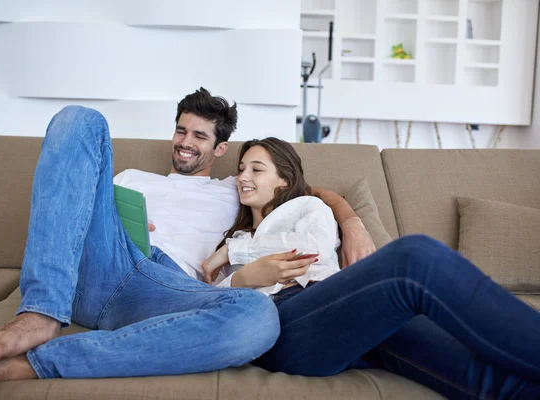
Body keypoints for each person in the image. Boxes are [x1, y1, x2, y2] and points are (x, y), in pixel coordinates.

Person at [0, 88, 375, 398]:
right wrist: (112, 215)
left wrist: (352, 224)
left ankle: (33, 364)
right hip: (103, 263)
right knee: (80, 119)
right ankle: (39, 314)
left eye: (199, 136)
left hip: (162, 290)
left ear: (221, 149)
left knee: (257, 315)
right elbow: (71, 210)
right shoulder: (131, 179)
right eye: (181, 131)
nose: (185, 143)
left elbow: (307, 192)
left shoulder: (235, 187)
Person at [202, 137, 540, 400]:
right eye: (241, 168)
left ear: (283, 180)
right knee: (414, 256)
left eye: (256, 169)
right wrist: (241, 277)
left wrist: (235, 251)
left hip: (342, 314)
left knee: (482, 375)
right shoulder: (233, 236)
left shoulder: (308, 207)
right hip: (281, 324)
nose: (242, 177)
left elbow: (313, 249)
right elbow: (207, 305)